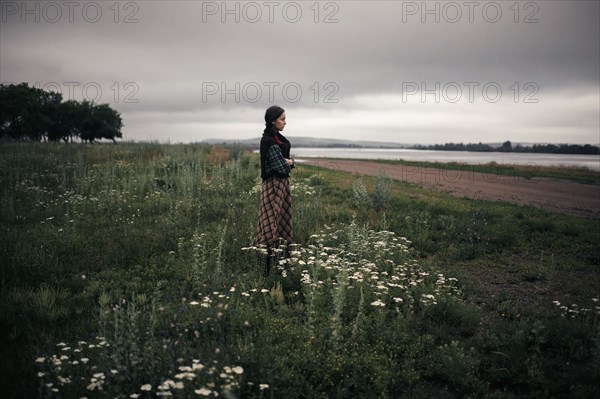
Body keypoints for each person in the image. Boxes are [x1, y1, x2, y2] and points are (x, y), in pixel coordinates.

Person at [255, 105, 295, 275]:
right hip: (273, 186)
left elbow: (283, 164)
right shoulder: (269, 141)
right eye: (282, 119)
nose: (285, 122)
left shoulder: (276, 138)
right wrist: (291, 163)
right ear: (273, 120)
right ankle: (267, 264)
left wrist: (288, 162)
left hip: (282, 186)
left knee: (281, 221)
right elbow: (282, 168)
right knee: (271, 222)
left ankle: (280, 260)